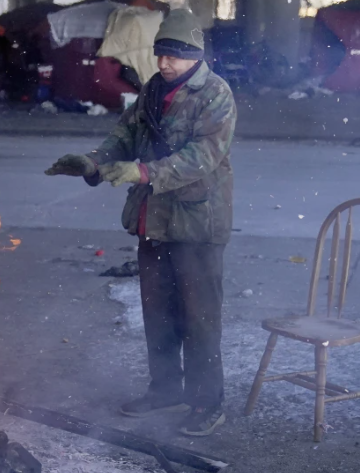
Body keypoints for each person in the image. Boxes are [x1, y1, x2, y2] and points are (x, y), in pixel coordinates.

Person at [45, 8, 236, 437]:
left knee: (199, 319)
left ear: (195, 55)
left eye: (175, 56)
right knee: (159, 313)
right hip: (154, 222)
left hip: (198, 225)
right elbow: (125, 135)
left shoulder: (216, 94)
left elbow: (203, 157)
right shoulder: (153, 88)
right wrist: (94, 162)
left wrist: (143, 172)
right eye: (161, 54)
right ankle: (166, 389)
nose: (165, 63)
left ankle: (208, 403)